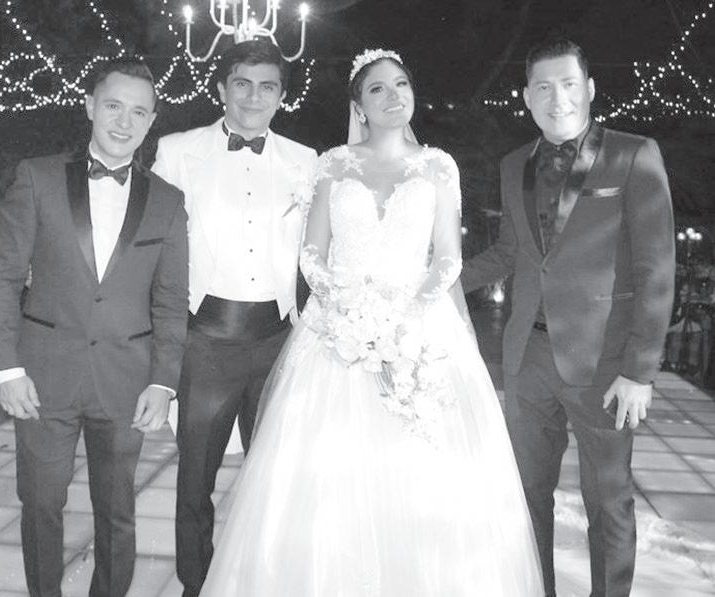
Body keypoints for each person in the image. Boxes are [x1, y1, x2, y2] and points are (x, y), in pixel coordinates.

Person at [199, 49, 544, 596]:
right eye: (377, 89)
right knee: (330, 481)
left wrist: (406, 318)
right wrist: (345, 310)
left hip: (420, 331)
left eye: (401, 84)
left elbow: (448, 259)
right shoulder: (333, 164)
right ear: (358, 106)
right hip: (337, 334)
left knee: (419, 478)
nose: (393, 96)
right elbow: (312, 254)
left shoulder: (439, 166)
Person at [461, 38, 675, 597]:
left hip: (605, 364)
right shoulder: (513, 165)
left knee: (609, 502)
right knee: (527, 497)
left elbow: (656, 268)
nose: (557, 98)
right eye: (544, 87)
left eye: (568, 84)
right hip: (526, 360)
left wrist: (640, 371)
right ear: (527, 96)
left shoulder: (634, 154)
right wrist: (434, 281)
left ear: (590, 88)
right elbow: (509, 252)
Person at [0, 58, 189, 597]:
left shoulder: (168, 201)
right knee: (41, 504)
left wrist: (163, 381)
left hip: (126, 381)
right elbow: (2, 277)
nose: (124, 121)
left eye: (138, 112)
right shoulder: (37, 177)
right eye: (114, 105)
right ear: (90, 106)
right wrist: (6, 368)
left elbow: (171, 301)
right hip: (41, 377)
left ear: (151, 122)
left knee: (117, 511)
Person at [151, 40, 318, 597]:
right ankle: (195, 583)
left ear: (281, 95)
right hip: (204, 342)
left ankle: (263, 582)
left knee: (273, 480)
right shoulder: (178, 151)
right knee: (194, 481)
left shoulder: (306, 161)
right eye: (242, 83)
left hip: (277, 342)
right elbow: (155, 247)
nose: (253, 96)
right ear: (222, 88)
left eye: (267, 86)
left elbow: (318, 252)